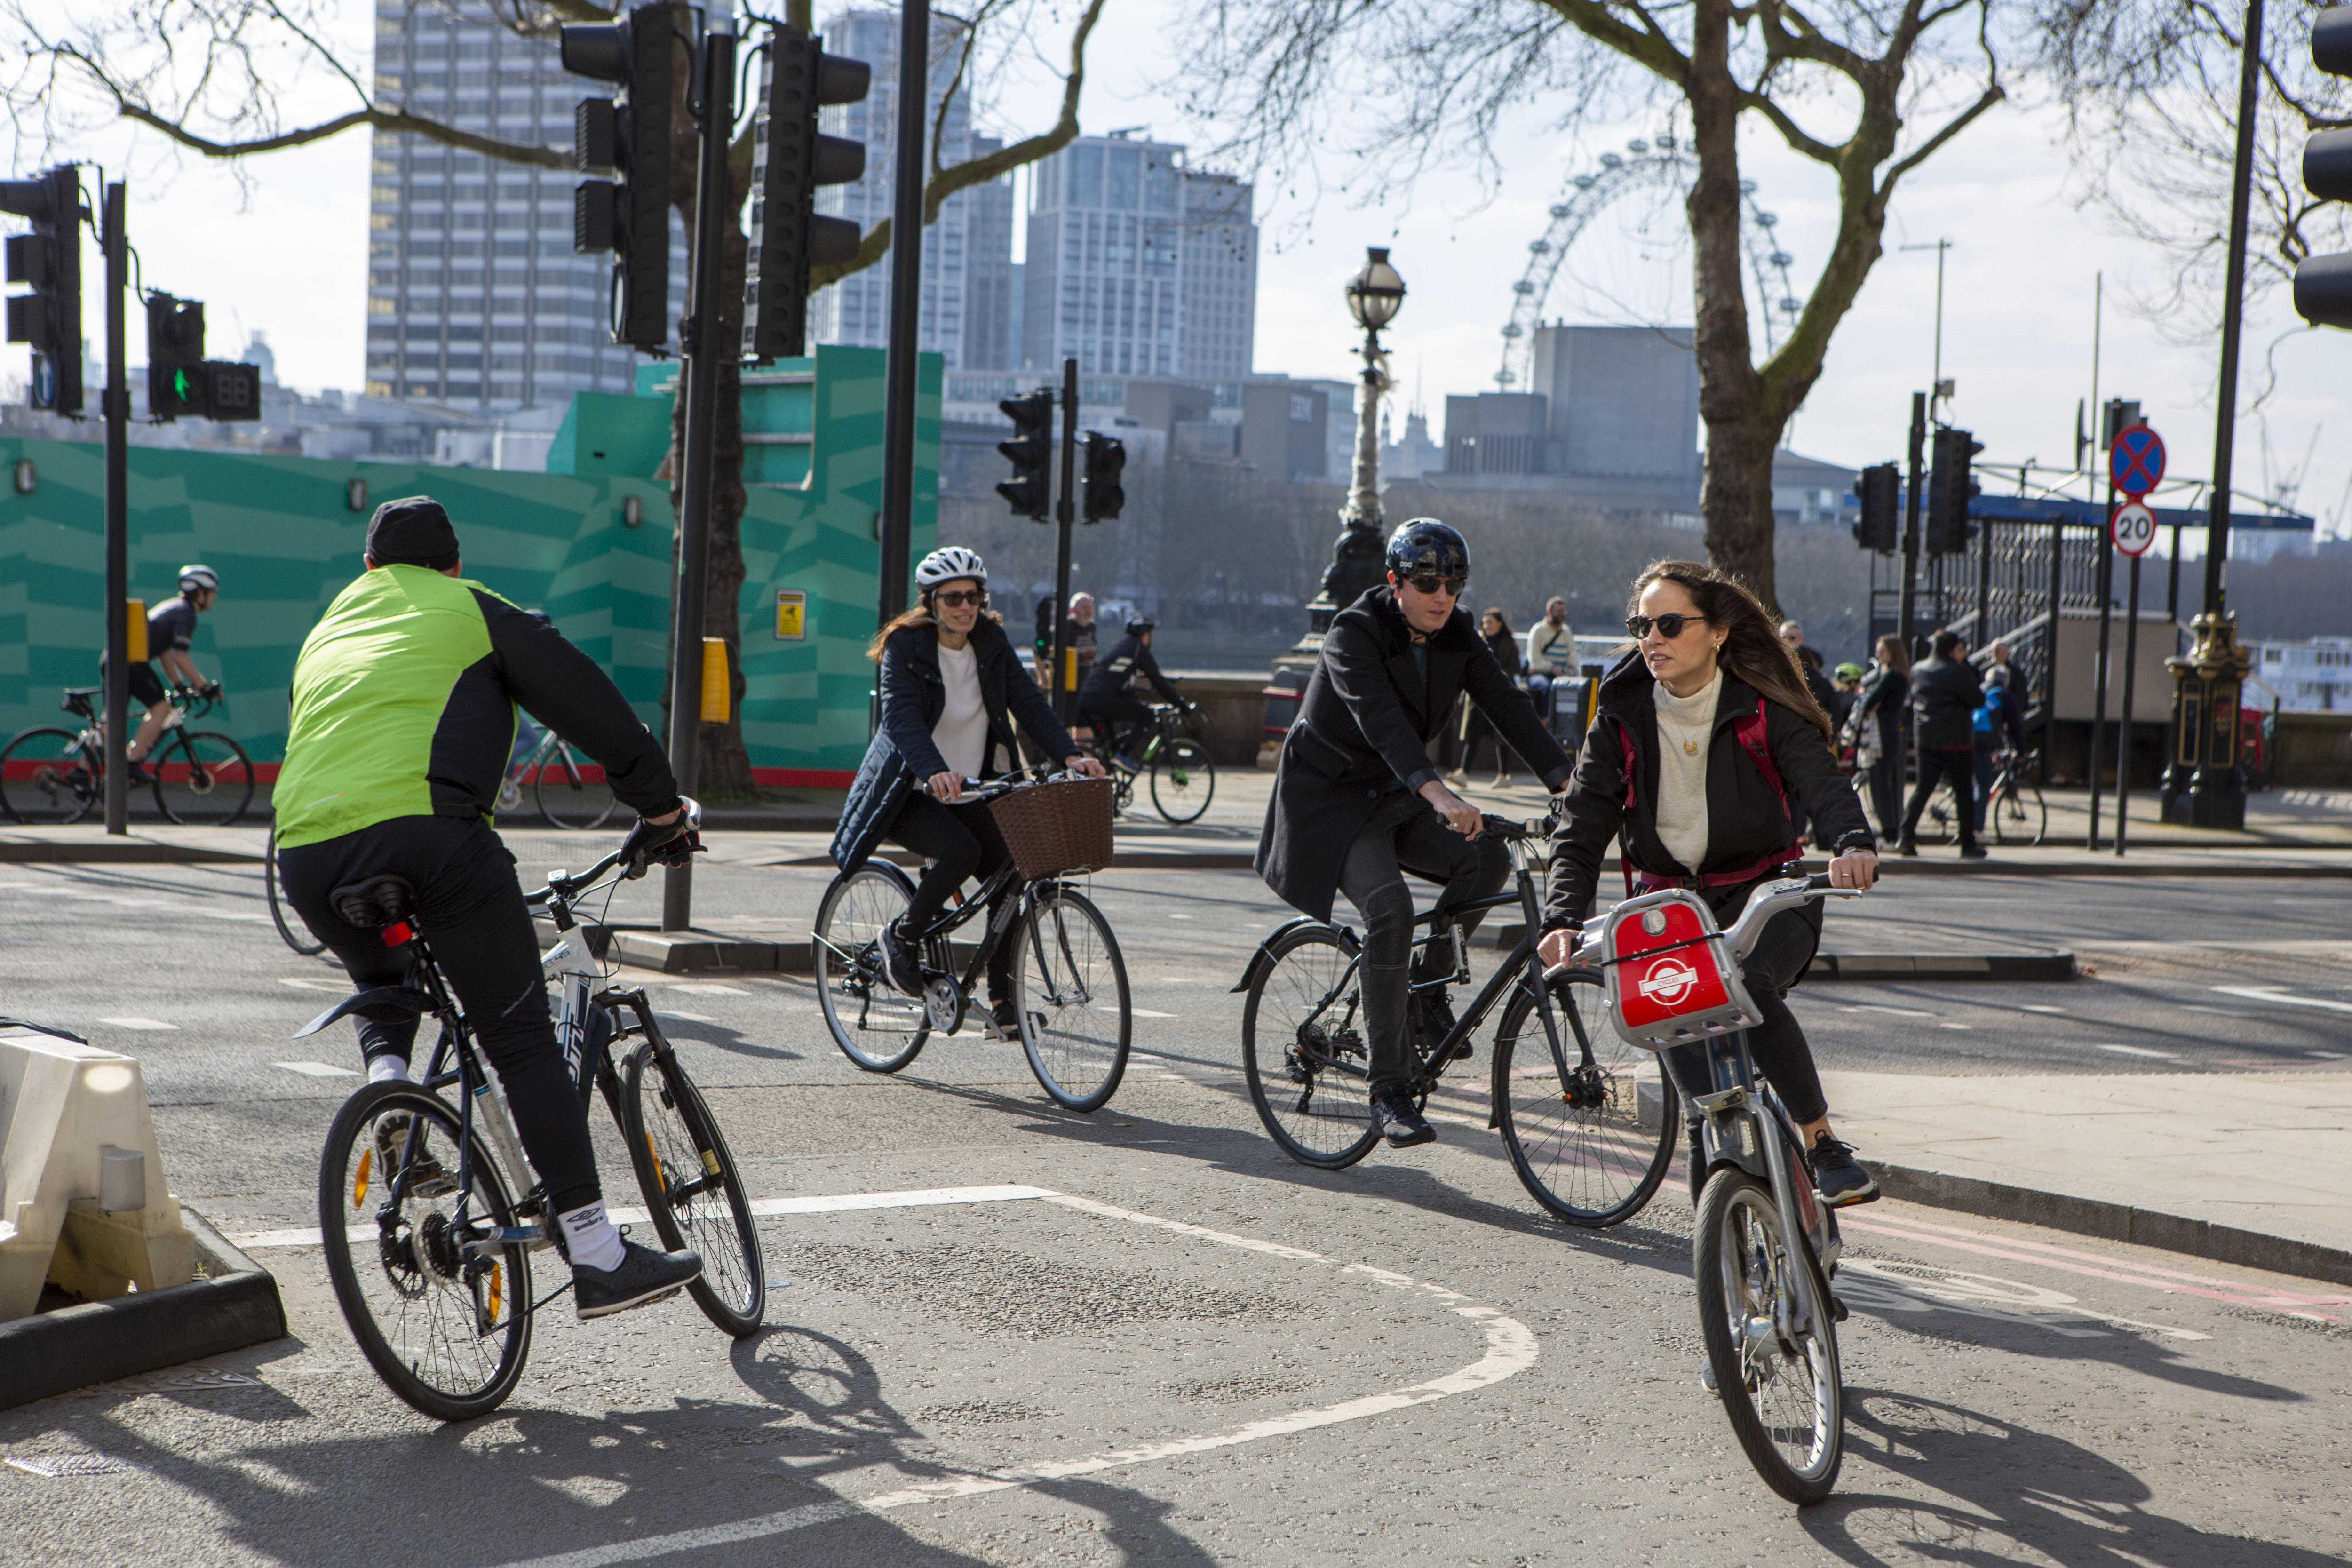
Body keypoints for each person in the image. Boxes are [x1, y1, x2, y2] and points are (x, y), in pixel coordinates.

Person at [273, 497, 705, 1320]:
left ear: (371, 566)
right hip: (433, 838)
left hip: (305, 851)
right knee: (519, 1037)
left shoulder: (330, 626)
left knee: (381, 968)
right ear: (453, 565)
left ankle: (391, 1091)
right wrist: (659, 810)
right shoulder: (470, 607)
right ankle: (597, 1251)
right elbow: (590, 705)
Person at [1536, 559, 1881, 1207]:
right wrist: (1561, 918)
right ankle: (1728, 1270)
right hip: (1670, 913)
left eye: (1670, 623)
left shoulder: (1760, 707)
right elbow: (1581, 828)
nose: (1652, 638)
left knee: (1744, 980)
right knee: (1708, 1116)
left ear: (1718, 632)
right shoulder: (1621, 716)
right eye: (1642, 625)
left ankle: (1821, 1141)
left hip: (1765, 895)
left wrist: (1853, 842)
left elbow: (1821, 781)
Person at [1256, 520, 1573, 1149]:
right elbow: (1380, 723)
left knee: (1486, 858)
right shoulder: (1353, 632)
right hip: (1334, 804)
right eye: (1428, 582)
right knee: (1390, 909)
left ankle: (1426, 996)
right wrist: (1438, 791)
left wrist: (1569, 781)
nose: (1443, 595)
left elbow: (1507, 704)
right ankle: (1388, 1090)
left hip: (1397, 796)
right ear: (1395, 581)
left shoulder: (1457, 633)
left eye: (1453, 585)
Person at [834, 548, 1108, 1040]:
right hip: (910, 789)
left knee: (1010, 876)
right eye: (954, 597)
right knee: (962, 851)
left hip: (975, 787)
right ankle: (901, 937)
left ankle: (1004, 1006)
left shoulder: (991, 642)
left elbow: (1028, 704)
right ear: (932, 602)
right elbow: (900, 717)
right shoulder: (906, 646)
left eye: (974, 597)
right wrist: (934, 770)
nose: (966, 607)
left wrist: (1070, 755)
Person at [101, 565, 222, 782]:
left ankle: (80, 771)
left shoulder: (174, 607)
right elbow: (180, 655)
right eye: (213, 593)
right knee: (161, 709)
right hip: (130, 663)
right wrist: (203, 687)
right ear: (200, 593)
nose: (214, 598)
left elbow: (164, 652)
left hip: (115, 659)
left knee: (111, 720)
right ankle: (131, 762)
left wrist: (179, 685)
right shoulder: (186, 613)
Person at [1900, 628, 1987, 859]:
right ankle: (1967, 843)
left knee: (1922, 789)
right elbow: (1978, 699)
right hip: (1956, 741)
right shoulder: (1958, 671)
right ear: (1955, 649)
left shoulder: (1918, 669)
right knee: (1964, 793)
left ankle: (1906, 835)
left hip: (1926, 740)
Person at [1077, 614, 1184, 770]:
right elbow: (1159, 682)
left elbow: (1119, 683)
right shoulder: (1139, 649)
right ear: (1146, 635)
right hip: (1104, 699)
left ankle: (1111, 776)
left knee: (1110, 750)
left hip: (1087, 699)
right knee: (1147, 715)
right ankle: (1124, 755)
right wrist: (1181, 705)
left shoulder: (1121, 646)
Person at [1452, 607, 1525, 788]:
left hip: (1500, 695)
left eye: (1490, 622)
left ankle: (1503, 776)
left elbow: (1516, 668)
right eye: (1484, 623)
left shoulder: (1508, 643)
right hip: (1477, 697)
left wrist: (1494, 674)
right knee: (1473, 734)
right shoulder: (1479, 641)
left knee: (1502, 736)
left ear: (1500, 624)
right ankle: (1463, 773)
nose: (1487, 626)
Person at [1850, 635, 1910, 844]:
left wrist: (1872, 701)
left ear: (1893, 652)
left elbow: (1869, 702)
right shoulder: (1897, 675)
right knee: (1887, 784)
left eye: (1882, 651)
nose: (1878, 655)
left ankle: (1888, 832)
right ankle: (1892, 830)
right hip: (1890, 733)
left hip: (1882, 736)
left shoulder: (1892, 676)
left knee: (1880, 785)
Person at [1972, 664, 2028, 832]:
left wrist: (1994, 748)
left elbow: (1989, 719)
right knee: (1983, 787)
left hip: (1967, 738)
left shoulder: (1980, 691)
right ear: (2006, 682)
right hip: (1981, 743)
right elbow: (2014, 726)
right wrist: (2020, 751)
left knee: (1970, 784)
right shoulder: (2005, 696)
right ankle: (1976, 831)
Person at [1526, 596, 1575, 732]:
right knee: (1548, 688)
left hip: (1561, 675)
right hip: (1539, 674)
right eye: (1558, 611)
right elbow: (1534, 660)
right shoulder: (1538, 631)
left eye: (1563, 611)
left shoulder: (1566, 632)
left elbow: (1573, 655)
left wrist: (1571, 667)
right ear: (1549, 612)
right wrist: (1552, 667)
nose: (1561, 614)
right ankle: (1544, 722)